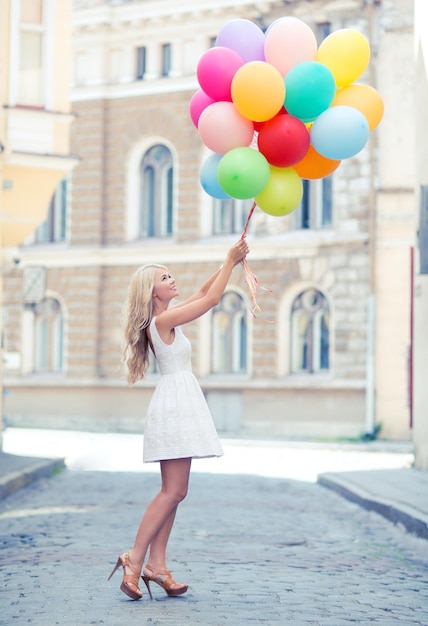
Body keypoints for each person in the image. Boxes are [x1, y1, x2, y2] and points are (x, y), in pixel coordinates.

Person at [108, 239, 249, 601]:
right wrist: (230, 259)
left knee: (175, 493)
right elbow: (211, 300)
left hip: (178, 404)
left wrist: (229, 263)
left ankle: (158, 565)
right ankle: (135, 559)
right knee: (173, 491)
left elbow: (204, 290)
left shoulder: (168, 316)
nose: (173, 280)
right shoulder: (163, 320)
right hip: (174, 407)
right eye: (165, 277)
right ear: (151, 292)